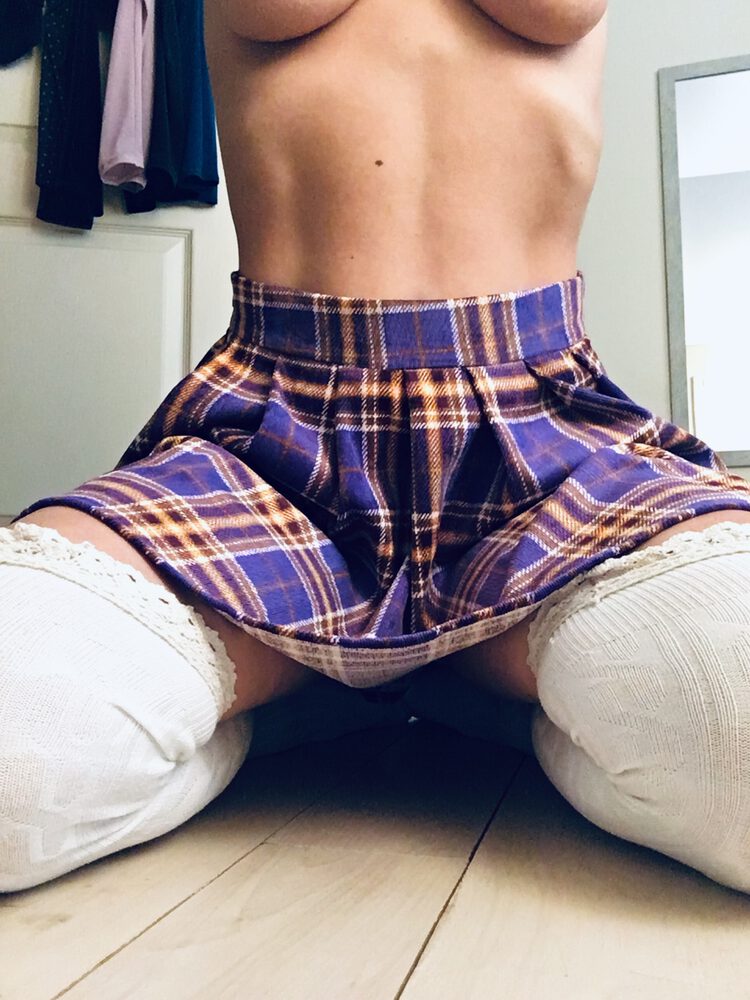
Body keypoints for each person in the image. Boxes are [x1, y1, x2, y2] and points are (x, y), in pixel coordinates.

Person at [4, 0, 750, 894]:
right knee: (17, 755)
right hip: (272, 446)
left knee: (735, 739)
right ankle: (302, 694)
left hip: (546, 447)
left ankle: (469, 683)